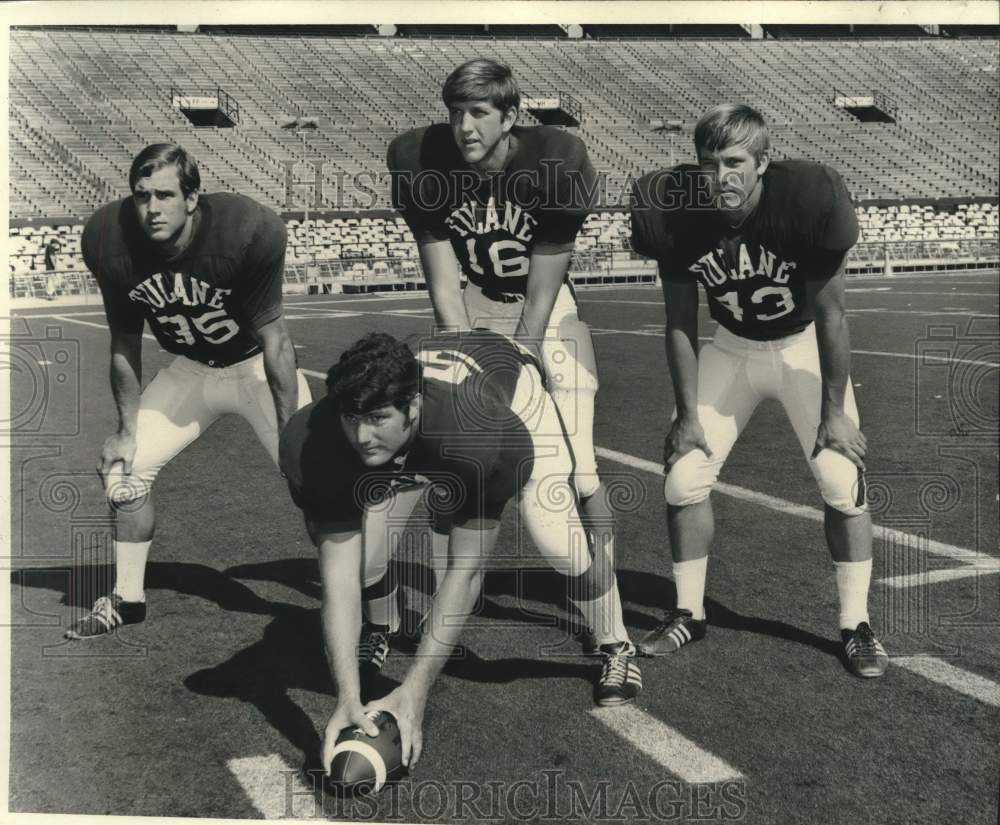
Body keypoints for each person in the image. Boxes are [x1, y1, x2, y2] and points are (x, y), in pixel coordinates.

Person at [278, 330, 642, 772]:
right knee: (365, 561)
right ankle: (382, 629)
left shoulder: (477, 434)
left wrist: (414, 693)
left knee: (556, 540)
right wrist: (347, 698)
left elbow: (467, 570)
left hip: (509, 392)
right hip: (434, 423)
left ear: (412, 407)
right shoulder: (312, 439)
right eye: (351, 417)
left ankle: (615, 643)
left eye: (376, 418)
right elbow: (335, 579)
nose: (360, 435)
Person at [630, 104, 888, 678]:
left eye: (734, 163)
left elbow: (832, 317)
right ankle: (688, 612)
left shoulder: (807, 197)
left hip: (800, 349)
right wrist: (686, 416)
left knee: (841, 480)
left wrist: (835, 413)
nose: (720, 177)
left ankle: (856, 624)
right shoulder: (673, 209)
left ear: (763, 164)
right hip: (732, 347)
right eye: (707, 164)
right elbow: (678, 322)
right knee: (683, 476)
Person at [387, 60, 619, 608]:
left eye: (479, 113)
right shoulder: (421, 161)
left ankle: (607, 589)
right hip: (473, 300)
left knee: (579, 468)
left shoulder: (555, 160)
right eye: (455, 113)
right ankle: (453, 597)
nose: (464, 127)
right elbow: (443, 282)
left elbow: (542, 291)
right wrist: (460, 356)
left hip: (546, 309)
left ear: (510, 116)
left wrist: (524, 355)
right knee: (452, 447)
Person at [67, 143, 311, 639]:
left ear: (192, 197)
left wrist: (293, 435)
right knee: (124, 471)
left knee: (315, 481)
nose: (151, 208)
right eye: (140, 196)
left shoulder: (246, 230)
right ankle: (127, 597)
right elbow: (124, 341)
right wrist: (125, 430)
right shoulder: (107, 239)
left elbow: (276, 342)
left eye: (164, 195)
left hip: (253, 369)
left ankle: (374, 608)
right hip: (191, 370)